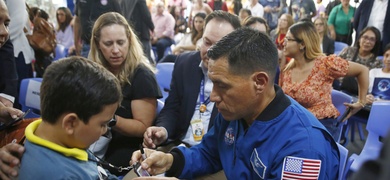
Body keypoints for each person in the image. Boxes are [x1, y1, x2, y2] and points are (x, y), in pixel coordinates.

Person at [133, 27, 340, 179]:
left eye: (222, 85)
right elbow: (208, 152)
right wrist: (170, 160)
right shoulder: (235, 112)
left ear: (259, 82)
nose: (213, 96)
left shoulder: (303, 149)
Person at [143, 11, 241, 150]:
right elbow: (172, 108)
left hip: (215, 157)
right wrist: (163, 131)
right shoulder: (184, 63)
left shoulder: (240, 79)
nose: (210, 51)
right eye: (207, 42)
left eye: (220, 46)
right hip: (177, 146)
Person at [17, 57, 122, 179]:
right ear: (70, 123)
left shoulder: (67, 140)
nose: (105, 130)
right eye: (103, 124)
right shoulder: (61, 175)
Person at [89, 12, 162, 176]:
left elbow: (143, 127)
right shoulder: (94, 71)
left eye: (120, 42)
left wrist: (109, 118)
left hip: (129, 146)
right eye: (108, 43)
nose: (115, 50)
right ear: (98, 44)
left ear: (129, 40)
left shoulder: (142, 75)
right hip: (97, 139)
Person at [279, 21, 369, 140]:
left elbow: (363, 70)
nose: (283, 43)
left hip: (320, 124)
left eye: (288, 39)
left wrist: (361, 102)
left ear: (302, 44)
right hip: (296, 123)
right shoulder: (287, 69)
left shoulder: (325, 64)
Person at [338, 26, 382, 96]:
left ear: (376, 43)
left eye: (372, 39)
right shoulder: (348, 51)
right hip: (340, 90)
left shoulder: (378, 63)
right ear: (359, 38)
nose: (367, 41)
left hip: (362, 96)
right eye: (365, 37)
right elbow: (333, 67)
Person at [119, 0, 155, 64]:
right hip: (142, 33)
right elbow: (146, 14)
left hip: (129, 31)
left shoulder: (124, 1)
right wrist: (152, 27)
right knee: (146, 60)